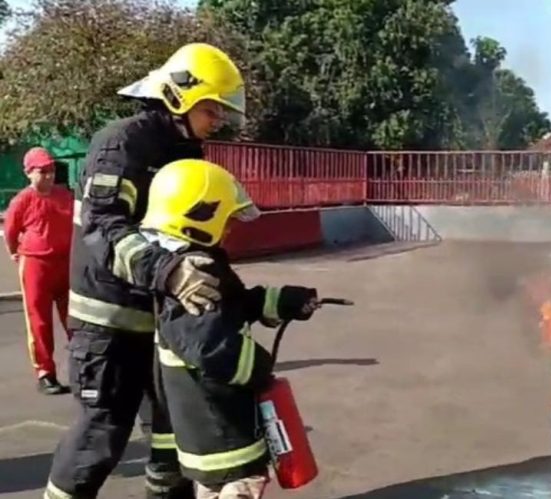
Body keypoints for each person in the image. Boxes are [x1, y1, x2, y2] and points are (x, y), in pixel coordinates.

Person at [45, 42, 247, 499]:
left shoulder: (185, 152)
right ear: (181, 96)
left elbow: (194, 234)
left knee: (170, 430)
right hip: (108, 321)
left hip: (158, 319)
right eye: (213, 109)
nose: (218, 121)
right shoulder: (121, 143)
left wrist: (243, 298)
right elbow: (103, 227)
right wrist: (170, 272)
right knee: (101, 434)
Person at [140, 158, 319, 498]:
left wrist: (281, 301)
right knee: (240, 488)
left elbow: (231, 307)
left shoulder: (185, 266)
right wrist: (260, 368)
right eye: (226, 219)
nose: (231, 228)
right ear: (197, 217)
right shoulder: (196, 277)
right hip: (221, 433)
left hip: (210, 430)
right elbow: (210, 346)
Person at [4, 146, 74, 395]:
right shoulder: (22, 200)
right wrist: (15, 252)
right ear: (29, 173)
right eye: (42, 171)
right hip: (36, 265)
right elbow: (11, 232)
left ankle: (84, 369)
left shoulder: (64, 196)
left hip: (65, 263)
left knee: (74, 319)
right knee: (39, 322)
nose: (48, 176)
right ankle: (45, 373)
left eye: (51, 170)